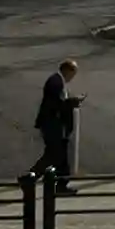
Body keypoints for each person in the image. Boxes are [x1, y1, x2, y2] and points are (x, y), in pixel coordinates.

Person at [32, 58, 81, 194]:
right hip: (53, 126)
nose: (72, 77)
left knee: (55, 155)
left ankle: (35, 177)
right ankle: (34, 178)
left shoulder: (57, 81)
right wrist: (73, 102)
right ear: (67, 70)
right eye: (73, 74)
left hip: (54, 125)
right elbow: (57, 104)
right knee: (56, 155)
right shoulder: (56, 82)